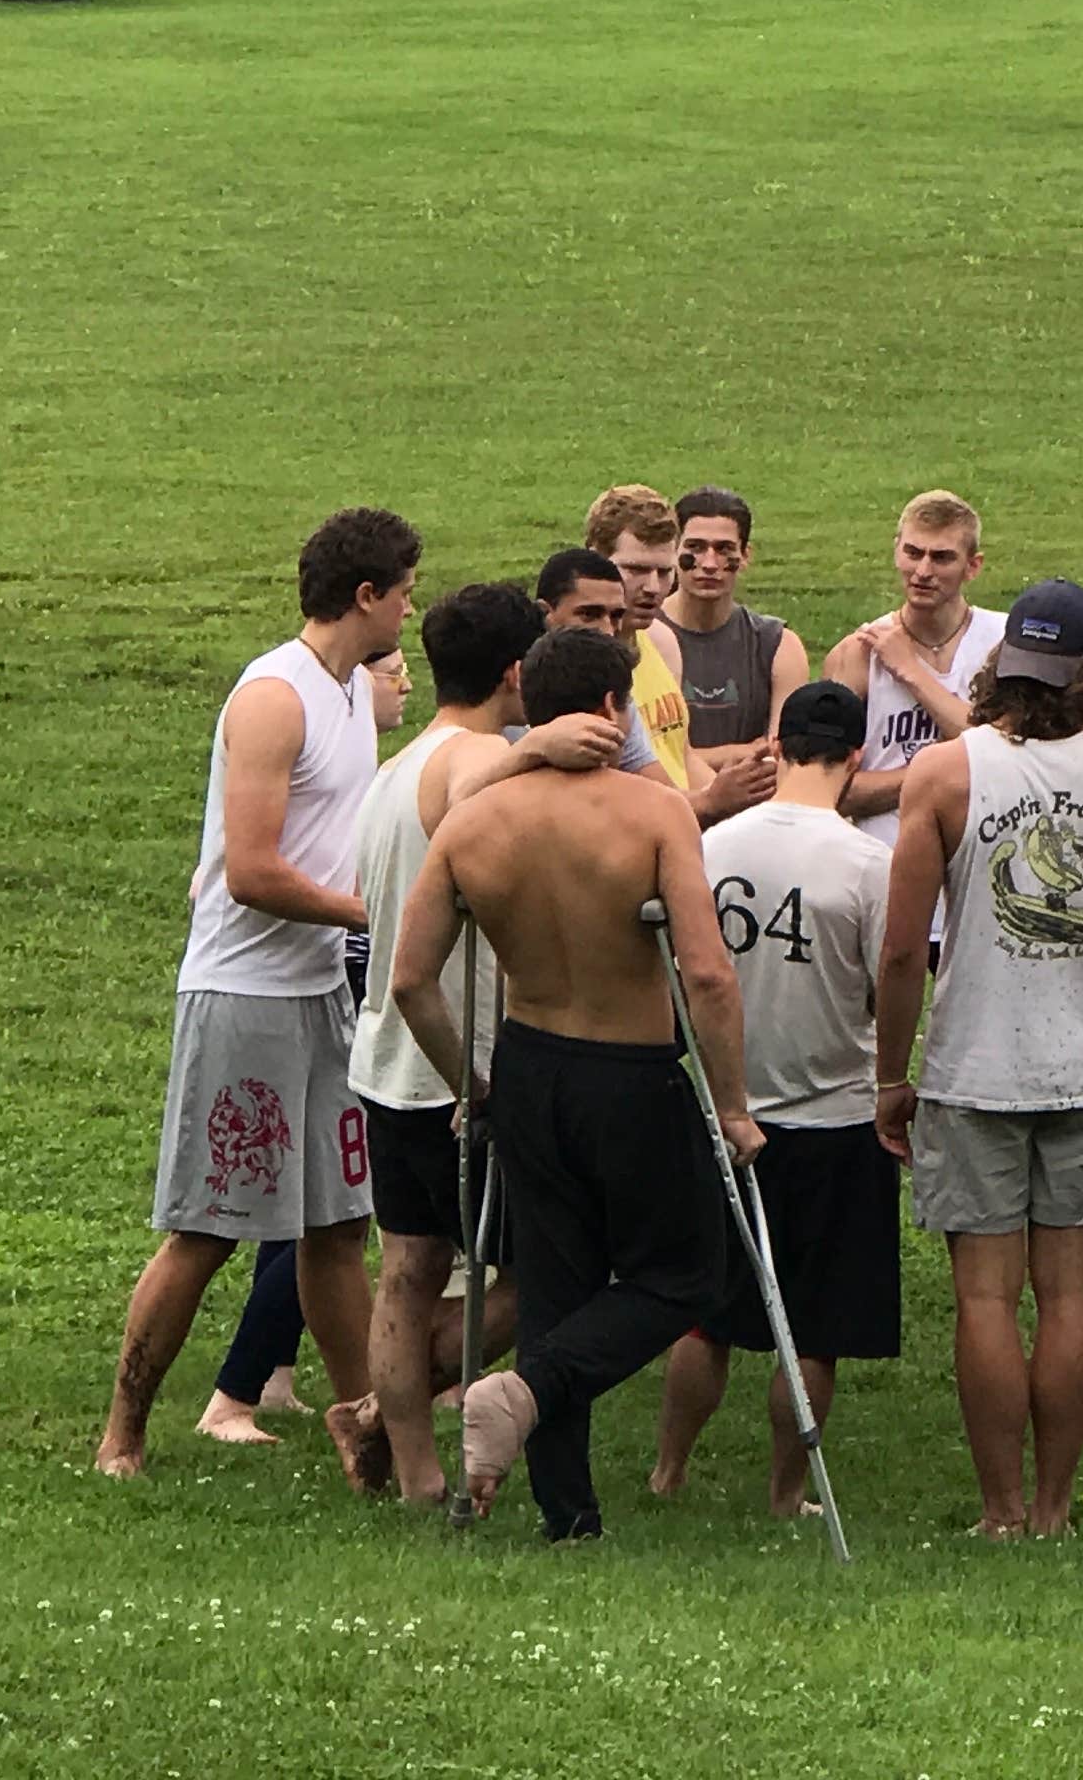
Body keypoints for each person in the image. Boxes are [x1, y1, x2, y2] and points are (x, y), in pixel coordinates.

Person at [392, 622, 756, 1540]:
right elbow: (708, 974)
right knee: (689, 1275)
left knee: (556, 1287)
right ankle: (524, 1389)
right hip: (629, 1072)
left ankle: (569, 1514)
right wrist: (733, 1105)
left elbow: (409, 981)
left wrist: (470, 1085)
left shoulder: (474, 820)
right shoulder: (655, 811)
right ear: (611, 708)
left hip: (528, 1067)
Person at [96, 507, 413, 1480]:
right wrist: (371, 913)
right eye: (405, 591)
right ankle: (122, 1435)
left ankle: (371, 1435)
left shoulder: (353, 692)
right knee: (206, 1230)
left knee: (337, 1230)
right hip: (244, 997)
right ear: (366, 596)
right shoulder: (275, 697)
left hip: (318, 995)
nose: (411, 609)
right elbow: (252, 872)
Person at [336, 579, 642, 1503]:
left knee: (408, 1272)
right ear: (517, 672)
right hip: (457, 1066)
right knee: (554, 1270)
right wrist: (536, 749)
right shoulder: (473, 760)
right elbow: (468, 811)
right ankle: (401, 1424)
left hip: (388, 1060)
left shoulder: (396, 767)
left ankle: (410, 1466)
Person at [872, 578, 1083, 1536]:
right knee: (1072, 1294)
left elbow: (903, 950)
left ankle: (1000, 1511)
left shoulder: (944, 774)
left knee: (985, 1298)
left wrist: (890, 1075)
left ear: (1000, 665)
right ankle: (1053, 1507)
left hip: (975, 1065)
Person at [648, 680, 901, 1515]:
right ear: (855, 758)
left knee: (706, 1317)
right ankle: (786, 1492)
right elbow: (883, 984)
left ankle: (668, 1470)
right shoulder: (868, 864)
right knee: (816, 1328)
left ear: (776, 748)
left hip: (725, 1107)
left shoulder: (710, 844)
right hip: (833, 1116)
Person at [827, 490, 1009, 840]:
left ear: (973, 566)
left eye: (942, 558)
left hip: (981, 850)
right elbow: (827, 789)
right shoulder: (858, 654)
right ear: (896, 550)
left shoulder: (1003, 642)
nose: (923, 571)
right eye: (913, 553)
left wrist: (909, 671)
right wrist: (942, 773)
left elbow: (1013, 757)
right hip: (885, 857)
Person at [582, 488, 753, 820]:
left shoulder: (660, 640)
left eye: (663, 572)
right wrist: (712, 801)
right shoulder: (578, 664)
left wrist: (738, 800)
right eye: (635, 569)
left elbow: (681, 755)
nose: (652, 587)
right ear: (594, 559)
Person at [660, 486, 810, 801]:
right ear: (673, 550)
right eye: (695, 548)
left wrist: (692, 756)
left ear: (745, 556)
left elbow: (783, 762)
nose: (709, 563)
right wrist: (740, 752)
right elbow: (644, 757)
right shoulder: (644, 636)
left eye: (724, 549)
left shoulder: (778, 645)